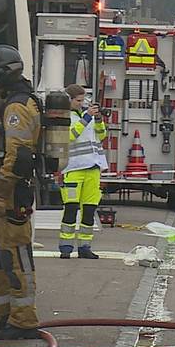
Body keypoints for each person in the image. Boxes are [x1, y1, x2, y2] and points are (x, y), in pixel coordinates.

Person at [0, 45, 43, 340]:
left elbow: (19, 156)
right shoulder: (7, 102)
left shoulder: (17, 107)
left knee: (15, 258)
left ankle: (24, 320)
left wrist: (2, 194)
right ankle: (2, 316)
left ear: (4, 74)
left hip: (11, 194)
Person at [58, 84, 107, 260]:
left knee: (89, 210)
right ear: (69, 100)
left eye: (83, 100)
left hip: (93, 167)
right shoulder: (65, 116)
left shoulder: (90, 117)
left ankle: (85, 247)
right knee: (71, 208)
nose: (81, 103)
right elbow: (70, 136)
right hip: (73, 168)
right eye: (78, 100)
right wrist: (87, 117)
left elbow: (101, 136)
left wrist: (99, 119)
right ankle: (65, 246)